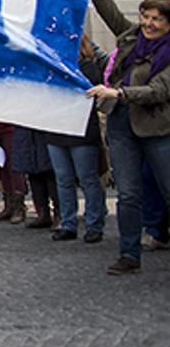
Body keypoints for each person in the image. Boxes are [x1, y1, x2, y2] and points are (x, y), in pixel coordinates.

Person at [86, 0, 170, 275]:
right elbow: (111, 16)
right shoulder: (132, 38)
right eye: (145, 17)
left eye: (156, 19)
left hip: (158, 128)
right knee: (129, 193)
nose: (148, 23)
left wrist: (118, 93)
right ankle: (129, 253)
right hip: (123, 126)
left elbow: (158, 91)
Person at [46, 36, 107, 243]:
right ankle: (68, 222)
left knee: (88, 179)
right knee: (63, 179)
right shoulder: (52, 67)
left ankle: (94, 223)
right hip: (56, 128)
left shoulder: (87, 66)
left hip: (81, 130)